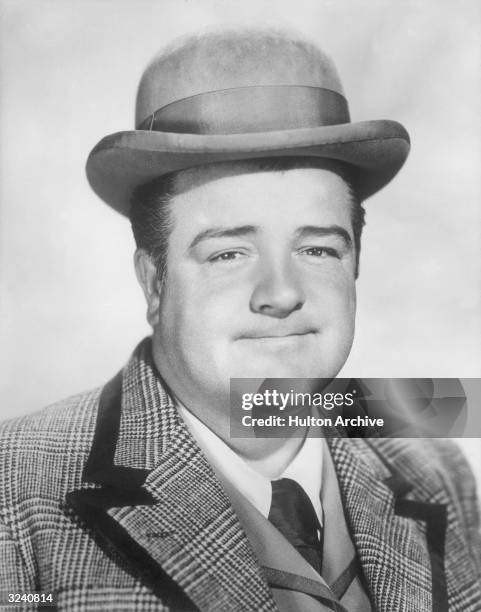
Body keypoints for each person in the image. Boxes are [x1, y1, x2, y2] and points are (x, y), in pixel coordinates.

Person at [1, 28, 480, 612]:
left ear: (356, 265)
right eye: (229, 253)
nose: (281, 294)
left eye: (319, 249)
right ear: (155, 283)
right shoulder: (13, 491)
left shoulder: (434, 466)